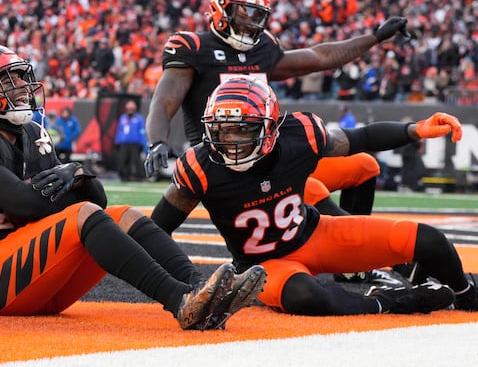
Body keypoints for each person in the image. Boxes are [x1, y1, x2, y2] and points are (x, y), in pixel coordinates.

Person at [0, 44, 267, 331]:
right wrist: (67, 187)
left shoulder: (33, 134)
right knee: (83, 215)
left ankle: (201, 288)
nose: (22, 85)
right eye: (10, 79)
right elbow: (27, 205)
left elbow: (97, 197)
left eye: (21, 76)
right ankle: (181, 301)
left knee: (121, 214)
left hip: (33, 278)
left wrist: (76, 173)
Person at [150, 76, 478, 316]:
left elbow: (359, 137)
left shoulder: (299, 136)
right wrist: (189, 284)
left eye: (242, 129)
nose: (230, 140)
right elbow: (155, 230)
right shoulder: (200, 166)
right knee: (306, 296)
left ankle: (465, 295)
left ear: (269, 127)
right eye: (221, 129)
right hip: (265, 265)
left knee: (430, 240)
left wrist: (415, 129)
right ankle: (393, 302)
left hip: (316, 233)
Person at [144, 0, 409, 217]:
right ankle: (367, 262)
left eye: (256, 14)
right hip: (223, 163)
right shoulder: (195, 47)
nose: (250, 20)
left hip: (269, 155)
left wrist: (374, 38)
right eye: (244, 10)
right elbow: (164, 101)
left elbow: (320, 57)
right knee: (314, 194)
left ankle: (350, 267)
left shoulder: (263, 49)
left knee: (363, 167)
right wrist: (157, 140)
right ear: (221, 8)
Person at [114, 100, 147, 182]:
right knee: (123, 161)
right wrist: (117, 141)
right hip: (124, 143)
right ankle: (124, 176)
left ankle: (139, 177)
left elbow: (142, 131)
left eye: (131, 108)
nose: (130, 110)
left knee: (136, 161)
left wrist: (143, 142)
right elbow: (119, 130)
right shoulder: (123, 118)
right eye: (129, 108)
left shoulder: (139, 118)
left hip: (135, 144)